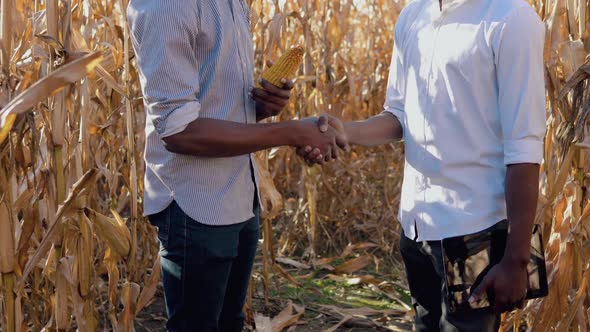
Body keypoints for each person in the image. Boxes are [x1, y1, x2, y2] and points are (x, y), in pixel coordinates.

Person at [299, 0, 547, 330]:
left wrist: (517, 259)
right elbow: (399, 115)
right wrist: (346, 132)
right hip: (416, 229)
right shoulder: (413, 15)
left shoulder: (511, 18)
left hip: (474, 233)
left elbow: (524, 147)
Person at [127, 1, 344, 331]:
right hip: (195, 205)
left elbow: (217, 107)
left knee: (230, 322)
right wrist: (290, 131)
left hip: (241, 195)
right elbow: (178, 131)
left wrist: (261, 107)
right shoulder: (166, 5)